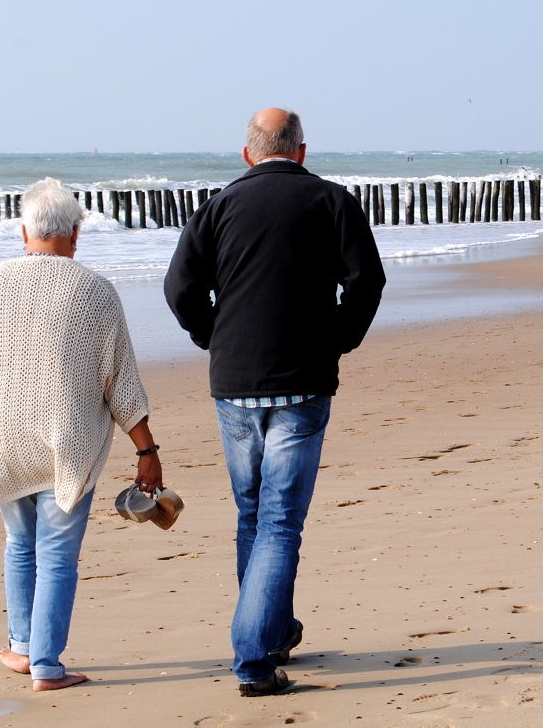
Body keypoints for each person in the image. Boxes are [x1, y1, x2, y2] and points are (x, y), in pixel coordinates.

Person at [0, 177, 163, 692]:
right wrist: (147, 451)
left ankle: (22, 648)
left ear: (25, 231)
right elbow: (121, 384)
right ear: (74, 234)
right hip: (64, 440)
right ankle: (46, 665)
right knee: (58, 555)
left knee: (20, 544)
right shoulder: (94, 292)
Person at [164, 109, 385, 696]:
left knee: (254, 514)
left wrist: (214, 334)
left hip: (235, 382)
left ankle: (275, 632)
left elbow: (180, 288)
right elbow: (366, 282)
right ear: (302, 151)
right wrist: (338, 337)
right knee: (279, 520)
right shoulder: (332, 201)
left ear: (247, 154)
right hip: (301, 382)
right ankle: (256, 660)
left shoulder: (219, 207)